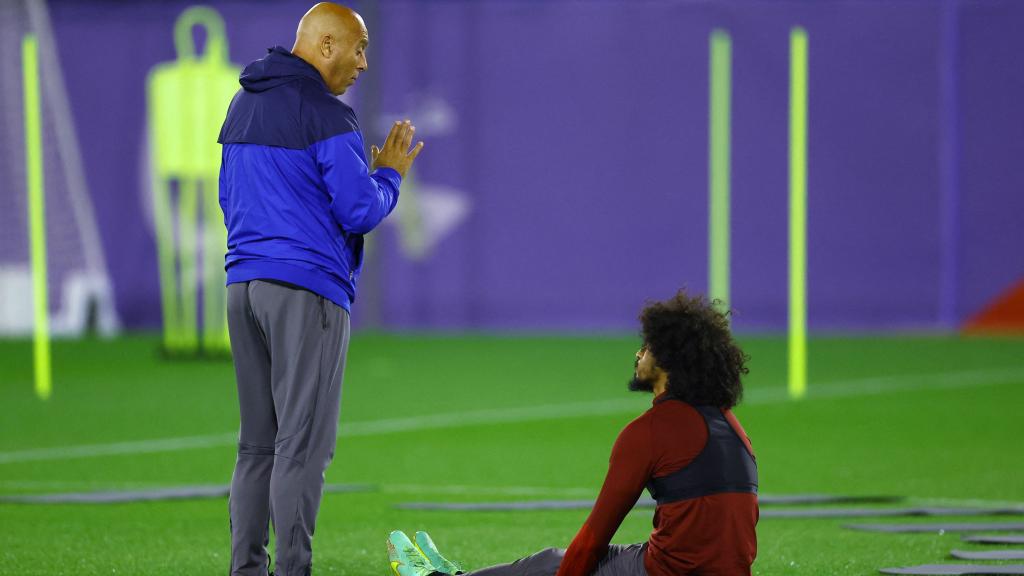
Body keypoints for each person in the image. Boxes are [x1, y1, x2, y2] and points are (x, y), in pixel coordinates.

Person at [217, 3, 423, 575]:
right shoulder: (327, 114)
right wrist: (389, 176)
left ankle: (246, 569)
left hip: (242, 287)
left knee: (256, 445)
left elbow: (228, 199)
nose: (363, 63)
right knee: (301, 447)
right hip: (305, 292)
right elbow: (359, 211)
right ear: (325, 45)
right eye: (359, 48)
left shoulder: (241, 105)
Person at [388, 292, 758, 576]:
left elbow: (594, 537)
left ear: (666, 361)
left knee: (553, 563)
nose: (637, 354)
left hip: (671, 572)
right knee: (585, 559)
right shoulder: (731, 425)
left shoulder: (649, 431)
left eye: (646, 348)